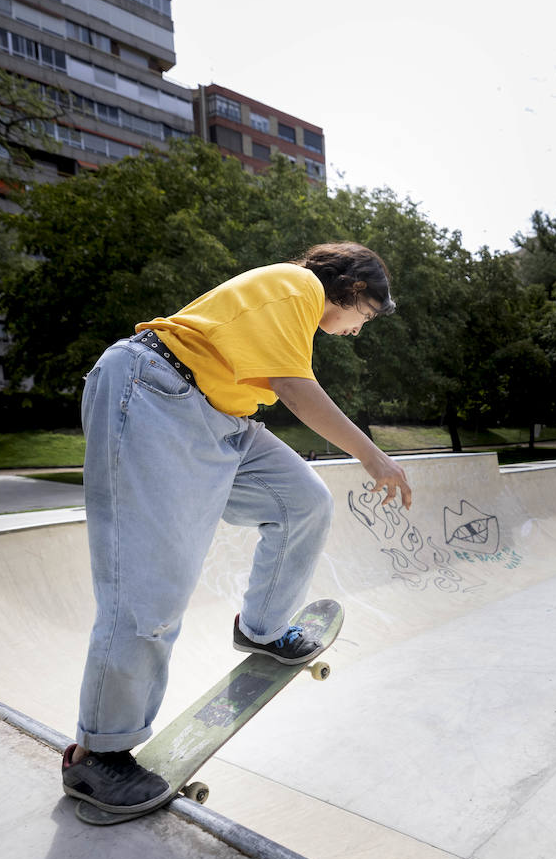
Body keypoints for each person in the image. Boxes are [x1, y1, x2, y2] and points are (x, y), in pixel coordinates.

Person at [61, 242, 413, 817]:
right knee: (151, 589)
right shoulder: (298, 287)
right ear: (351, 290)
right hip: (157, 394)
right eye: (364, 318)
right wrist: (374, 457)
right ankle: (99, 756)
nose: (356, 331)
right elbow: (297, 389)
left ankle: (263, 626)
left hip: (224, 419)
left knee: (303, 501)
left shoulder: (287, 307)